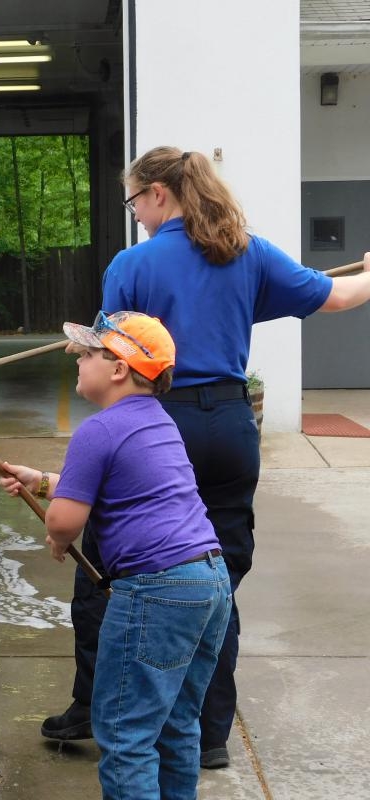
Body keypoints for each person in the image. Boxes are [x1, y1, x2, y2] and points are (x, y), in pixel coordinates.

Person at [46, 145, 370, 769]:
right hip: (227, 426)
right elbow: (333, 296)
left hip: (154, 427)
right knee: (213, 575)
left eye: (135, 199)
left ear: (158, 194)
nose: (135, 212)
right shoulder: (246, 252)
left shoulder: (132, 264)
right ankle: (209, 733)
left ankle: (96, 705)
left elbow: (109, 352)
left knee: (112, 574)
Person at [0, 311, 231, 799]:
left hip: (156, 592)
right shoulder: (156, 423)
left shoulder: (98, 430)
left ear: (118, 368)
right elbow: (115, 491)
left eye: (87, 353)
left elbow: (64, 521)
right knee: (176, 722)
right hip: (208, 582)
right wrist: (40, 480)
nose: (75, 359)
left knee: (124, 733)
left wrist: (58, 534)